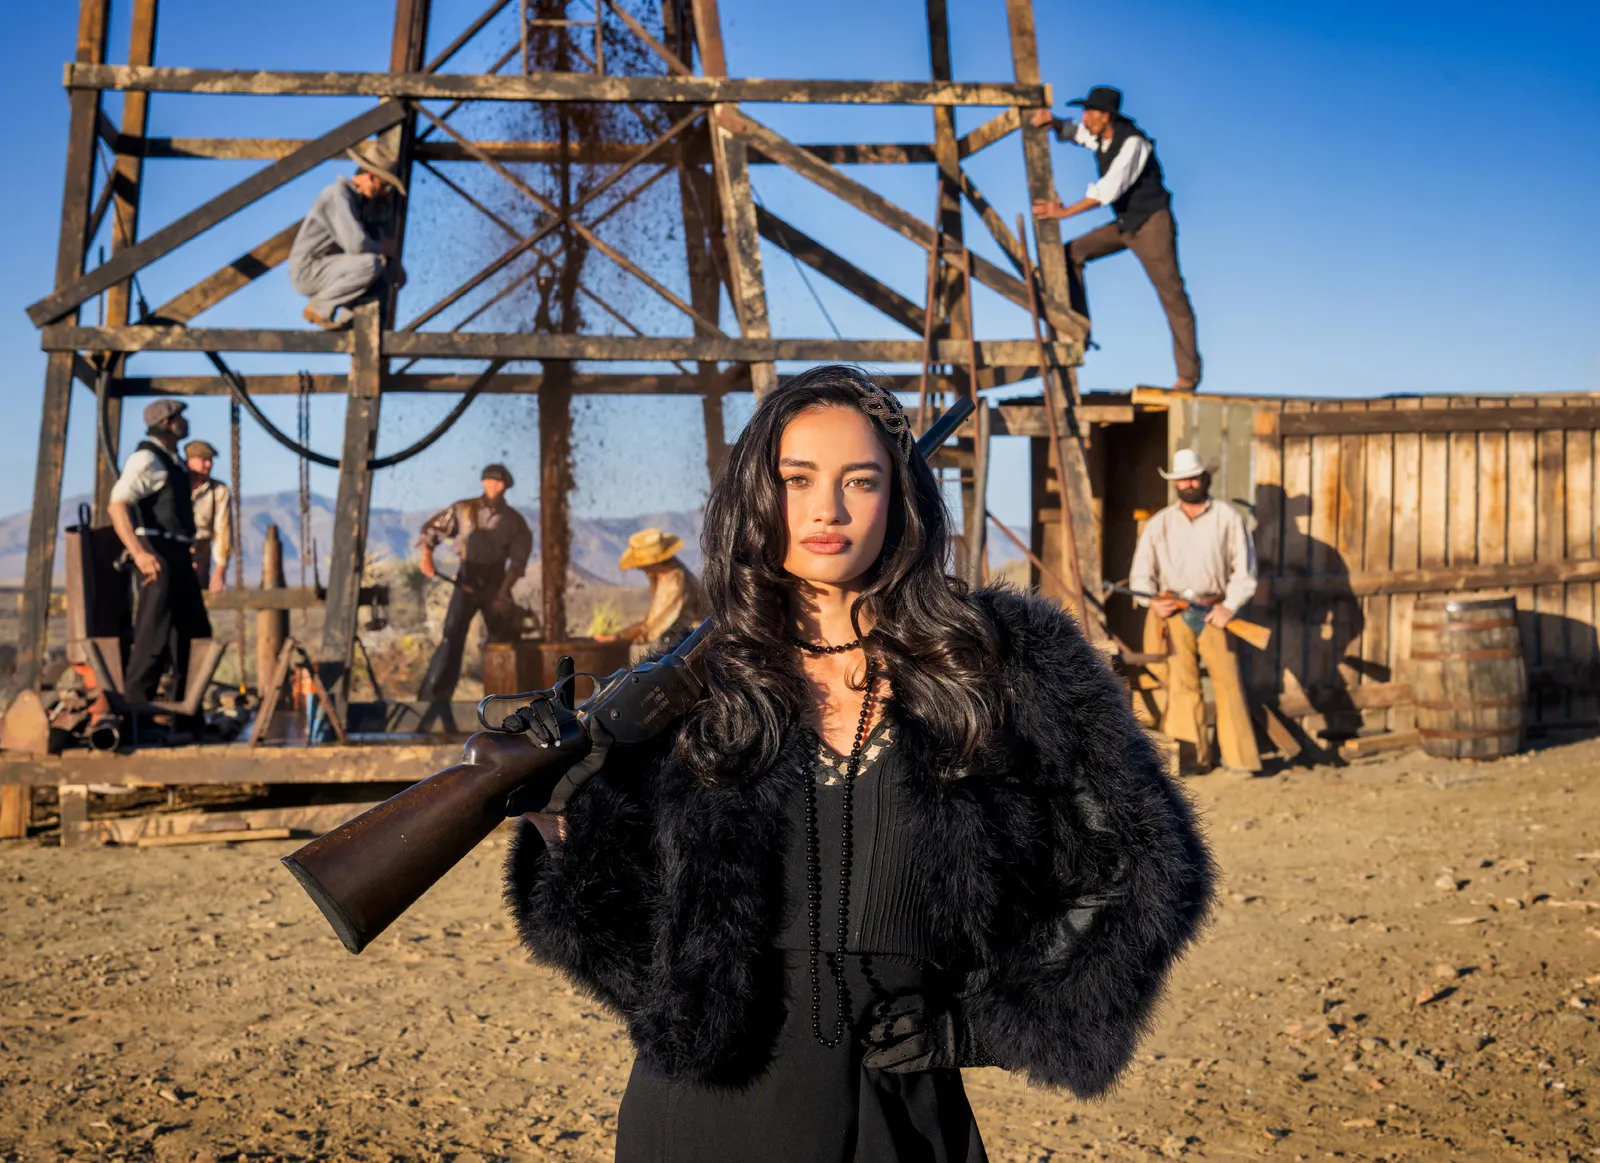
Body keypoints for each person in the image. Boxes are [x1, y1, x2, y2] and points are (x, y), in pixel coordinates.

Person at [503, 366, 1215, 1162]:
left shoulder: (997, 664)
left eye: (861, 480)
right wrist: (565, 825)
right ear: (757, 496)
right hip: (708, 1117)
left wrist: (985, 1023)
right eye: (797, 478)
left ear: (899, 498)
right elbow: (637, 957)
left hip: (901, 1113)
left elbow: (1146, 865)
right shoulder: (688, 691)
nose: (828, 510)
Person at [1030, 85, 1201, 390]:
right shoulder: (1099, 137)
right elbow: (1076, 132)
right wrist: (1054, 122)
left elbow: (1108, 190)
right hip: (1124, 224)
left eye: (1089, 112)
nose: (1084, 117)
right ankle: (1079, 329)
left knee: (1171, 293)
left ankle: (1187, 376)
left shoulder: (1134, 144)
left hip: (1151, 225)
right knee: (1070, 255)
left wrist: (1063, 212)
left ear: (1105, 116)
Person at [1130, 447, 1262, 775]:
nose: (1188, 483)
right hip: (1174, 613)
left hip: (1215, 611)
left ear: (1204, 478)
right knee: (1182, 684)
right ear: (1174, 483)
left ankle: (1239, 760)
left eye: (1192, 477)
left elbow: (1245, 572)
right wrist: (1152, 601)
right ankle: (1190, 759)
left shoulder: (1228, 518)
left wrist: (1229, 607)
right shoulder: (1160, 523)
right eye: (1181, 479)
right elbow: (1141, 574)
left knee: (1228, 683)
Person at [107, 400, 214, 706]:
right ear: (167, 423)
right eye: (180, 417)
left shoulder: (172, 460)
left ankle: (183, 708)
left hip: (177, 552)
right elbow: (117, 505)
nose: (185, 422)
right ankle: (135, 710)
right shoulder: (146, 458)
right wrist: (139, 553)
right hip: (157, 552)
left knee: (194, 633)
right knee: (153, 634)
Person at [415, 465, 533, 703]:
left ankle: (507, 701)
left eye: (499, 483)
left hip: (496, 581)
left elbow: (518, 561)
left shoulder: (513, 521)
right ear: (483, 483)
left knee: (503, 640)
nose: (494, 487)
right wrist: (426, 557)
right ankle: (433, 700)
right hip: (467, 576)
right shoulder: (463, 509)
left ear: (506, 488)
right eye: (490, 481)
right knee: (452, 634)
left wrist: (502, 592)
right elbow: (431, 531)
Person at [289, 135, 407, 331]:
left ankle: (348, 319)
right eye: (383, 185)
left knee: (378, 269)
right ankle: (319, 308)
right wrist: (384, 249)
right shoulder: (337, 194)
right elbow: (356, 244)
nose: (384, 192)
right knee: (371, 264)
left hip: (326, 269)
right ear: (370, 176)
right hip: (309, 270)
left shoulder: (357, 201)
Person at [595, 528, 706, 663]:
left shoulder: (674, 582)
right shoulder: (664, 576)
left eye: (642, 566)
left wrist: (619, 638)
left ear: (654, 563)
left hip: (688, 643)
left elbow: (656, 626)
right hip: (680, 640)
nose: (639, 569)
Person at [184, 440, 233, 593]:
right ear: (189, 461)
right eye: (204, 460)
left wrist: (220, 570)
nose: (208, 465)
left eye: (210, 460)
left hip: (201, 551)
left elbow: (222, 530)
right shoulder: (174, 484)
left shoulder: (218, 490)